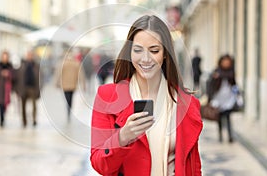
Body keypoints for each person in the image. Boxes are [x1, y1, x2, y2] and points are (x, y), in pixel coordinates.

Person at [90, 15, 203, 176]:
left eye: (154, 50)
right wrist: (123, 137)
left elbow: (194, 167)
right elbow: (100, 164)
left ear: (165, 54)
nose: (146, 58)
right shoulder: (107, 96)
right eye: (138, 50)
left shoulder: (187, 103)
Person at [207, 54, 236, 143]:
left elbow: (234, 84)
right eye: (224, 61)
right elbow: (210, 84)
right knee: (218, 117)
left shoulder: (231, 72)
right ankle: (220, 136)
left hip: (228, 98)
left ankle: (230, 136)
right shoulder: (216, 71)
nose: (226, 63)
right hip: (218, 98)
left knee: (228, 117)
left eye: (228, 62)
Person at [55, 51, 85, 120]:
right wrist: (82, 84)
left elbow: (58, 73)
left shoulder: (62, 63)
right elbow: (81, 74)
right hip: (73, 84)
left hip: (64, 84)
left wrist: (56, 83)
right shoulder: (77, 63)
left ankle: (68, 108)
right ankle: (69, 108)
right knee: (71, 97)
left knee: (67, 97)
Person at [14, 51, 40, 127]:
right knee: (23, 106)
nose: (29, 57)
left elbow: (40, 77)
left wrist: (39, 88)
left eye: (31, 55)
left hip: (33, 88)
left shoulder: (36, 66)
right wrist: (17, 89)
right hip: (23, 88)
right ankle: (24, 121)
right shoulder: (21, 65)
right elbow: (17, 77)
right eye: (28, 55)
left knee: (34, 105)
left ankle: (34, 119)